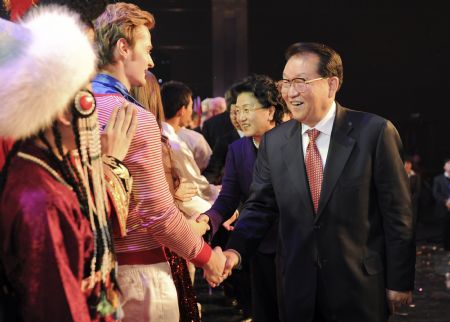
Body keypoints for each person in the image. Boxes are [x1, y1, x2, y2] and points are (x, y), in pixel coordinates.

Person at [220, 42, 415, 322]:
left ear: (332, 84)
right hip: (296, 289)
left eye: (301, 81)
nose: (290, 91)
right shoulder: (275, 143)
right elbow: (260, 206)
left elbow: (398, 213)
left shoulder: (374, 133)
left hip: (358, 287)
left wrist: (399, 280)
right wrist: (234, 251)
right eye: (285, 82)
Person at [0, 6, 135, 321]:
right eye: (86, 88)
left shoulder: (47, 170)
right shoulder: (42, 198)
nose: (93, 98)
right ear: (63, 109)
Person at [91, 3, 225, 321]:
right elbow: (158, 214)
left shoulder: (73, 109)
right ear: (123, 47)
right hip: (139, 274)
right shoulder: (134, 115)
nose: (151, 60)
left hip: (94, 272)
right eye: (147, 49)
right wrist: (207, 257)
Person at [202, 74, 286, 321]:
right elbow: (228, 198)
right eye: (237, 110)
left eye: (248, 109)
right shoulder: (237, 150)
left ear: (271, 112)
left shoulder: (294, 143)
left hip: (294, 248)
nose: (240, 117)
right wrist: (207, 220)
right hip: (257, 248)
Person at [160, 80, 219, 214]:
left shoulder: (158, 133)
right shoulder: (174, 143)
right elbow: (196, 185)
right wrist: (217, 192)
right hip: (182, 209)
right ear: (182, 110)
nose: (191, 111)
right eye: (190, 107)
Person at [202, 85, 242, 184]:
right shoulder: (223, 140)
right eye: (233, 113)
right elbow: (212, 168)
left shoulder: (263, 136)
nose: (236, 118)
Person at [432, 159, 450, 250]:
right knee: (445, 228)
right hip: (444, 207)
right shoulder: (438, 179)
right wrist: (446, 201)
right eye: (448, 164)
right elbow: (435, 193)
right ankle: (446, 246)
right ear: (444, 167)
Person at [404, 157, 421, 223]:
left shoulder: (416, 176)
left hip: (412, 202)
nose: (407, 165)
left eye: (409, 163)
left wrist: (411, 200)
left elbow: (417, 190)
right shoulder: (399, 175)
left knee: (412, 220)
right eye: (406, 163)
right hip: (401, 202)